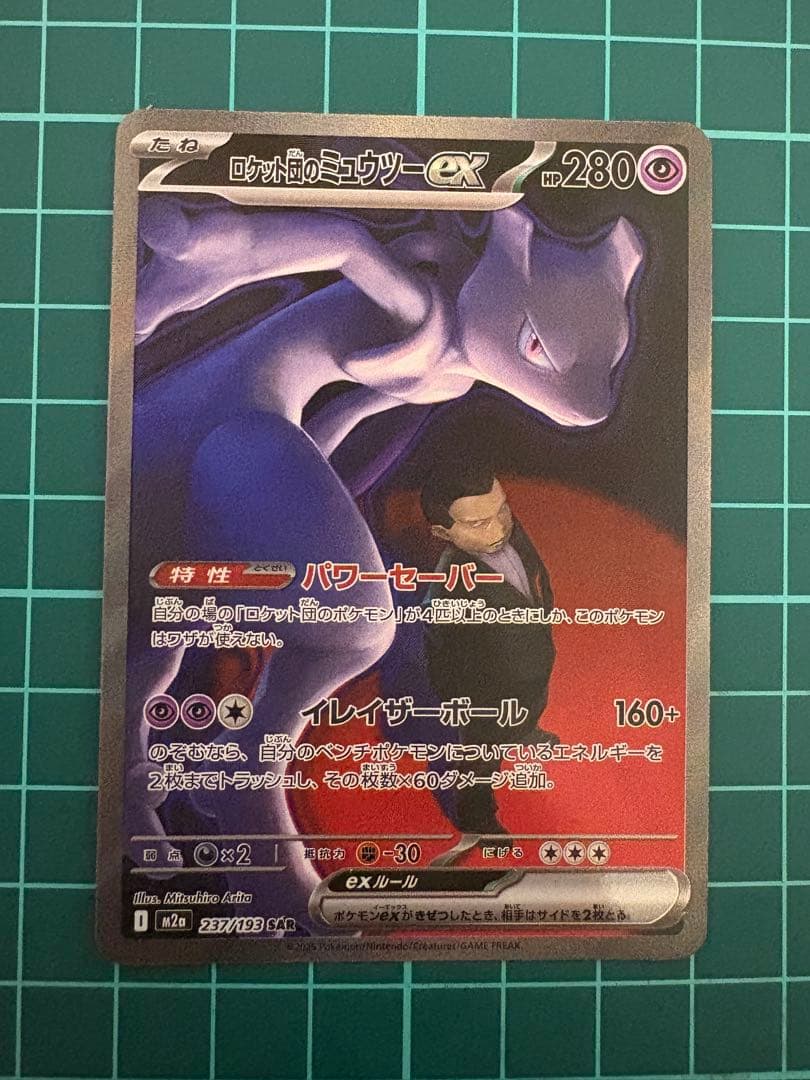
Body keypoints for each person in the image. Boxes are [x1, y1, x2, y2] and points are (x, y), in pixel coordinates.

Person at [420, 461, 558, 836]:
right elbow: (444, 662)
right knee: (480, 758)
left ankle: (524, 731)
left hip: (528, 667)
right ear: (442, 532)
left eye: (502, 510)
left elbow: (534, 576)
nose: (498, 529)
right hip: (485, 698)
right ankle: (476, 814)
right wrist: (471, 707)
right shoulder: (446, 591)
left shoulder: (513, 533)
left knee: (531, 705)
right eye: (478, 523)